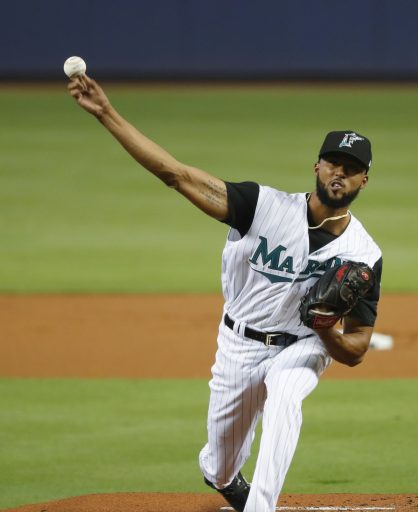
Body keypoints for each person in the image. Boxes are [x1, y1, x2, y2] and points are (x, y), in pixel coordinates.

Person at [67, 75, 383, 512]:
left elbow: (357, 349)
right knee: (219, 468)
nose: (340, 172)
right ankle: (225, 477)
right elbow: (176, 175)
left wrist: (325, 328)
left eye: (351, 167)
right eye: (333, 162)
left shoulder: (365, 254)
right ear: (316, 167)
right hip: (239, 345)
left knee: (286, 394)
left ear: (364, 180)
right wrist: (106, 112)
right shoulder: (262, 207)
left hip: (302, 346)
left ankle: (260, 507)